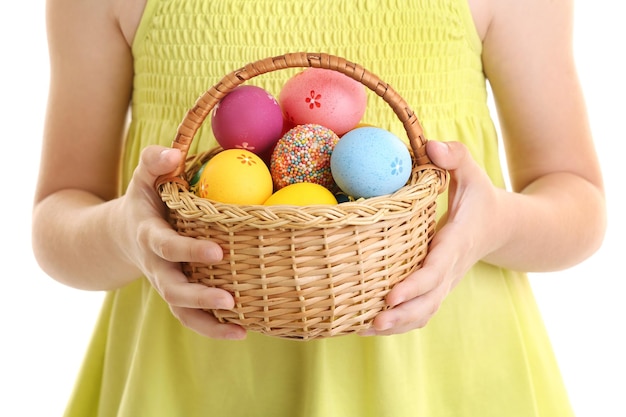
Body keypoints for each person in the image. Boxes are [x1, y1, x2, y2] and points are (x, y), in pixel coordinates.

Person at [32, 0, 606, 415]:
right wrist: (123, 233)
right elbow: (58, 217)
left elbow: (577, 200)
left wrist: (498, 223)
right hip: (199, 386)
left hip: (444, 382)